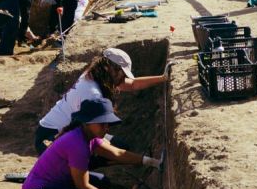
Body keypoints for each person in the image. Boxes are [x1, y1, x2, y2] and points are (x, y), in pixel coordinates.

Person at [21, 98, 161, 189]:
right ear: (88, 122)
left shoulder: (88, 136)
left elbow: (117, 153)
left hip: (58, 184)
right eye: (102, 123)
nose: (106, 128)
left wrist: (150, 161)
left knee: (102, 183)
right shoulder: (77, 144)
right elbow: (82, 185)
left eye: (107, 123)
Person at [33, 48, 169, 154]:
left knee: (121, 147)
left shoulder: (95, 75)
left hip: (64, 131)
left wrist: (163, 78)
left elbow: (132, 84)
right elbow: (93, 135)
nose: (123, 78)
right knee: (107, 153)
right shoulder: (93, 95)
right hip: (51, 138)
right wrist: (141, 160)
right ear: (108, 68)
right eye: (122, 73)